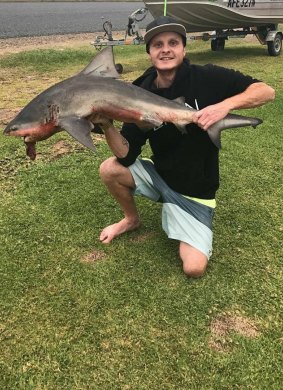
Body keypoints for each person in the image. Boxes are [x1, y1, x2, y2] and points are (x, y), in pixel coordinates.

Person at [97, 16, 275, 278]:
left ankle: (184, 213)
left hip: (196, 190)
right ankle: (131, 219)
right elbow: (126, 155)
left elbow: (266, 91)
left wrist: (224, 106)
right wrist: (106, 126)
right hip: (161, 176)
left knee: (194, 268)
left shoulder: (207, 77)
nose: (165, 49)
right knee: (109, 169)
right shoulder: (139, 91)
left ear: (184, 49)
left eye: (173, 43)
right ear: (149, 53)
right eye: (157, 44)